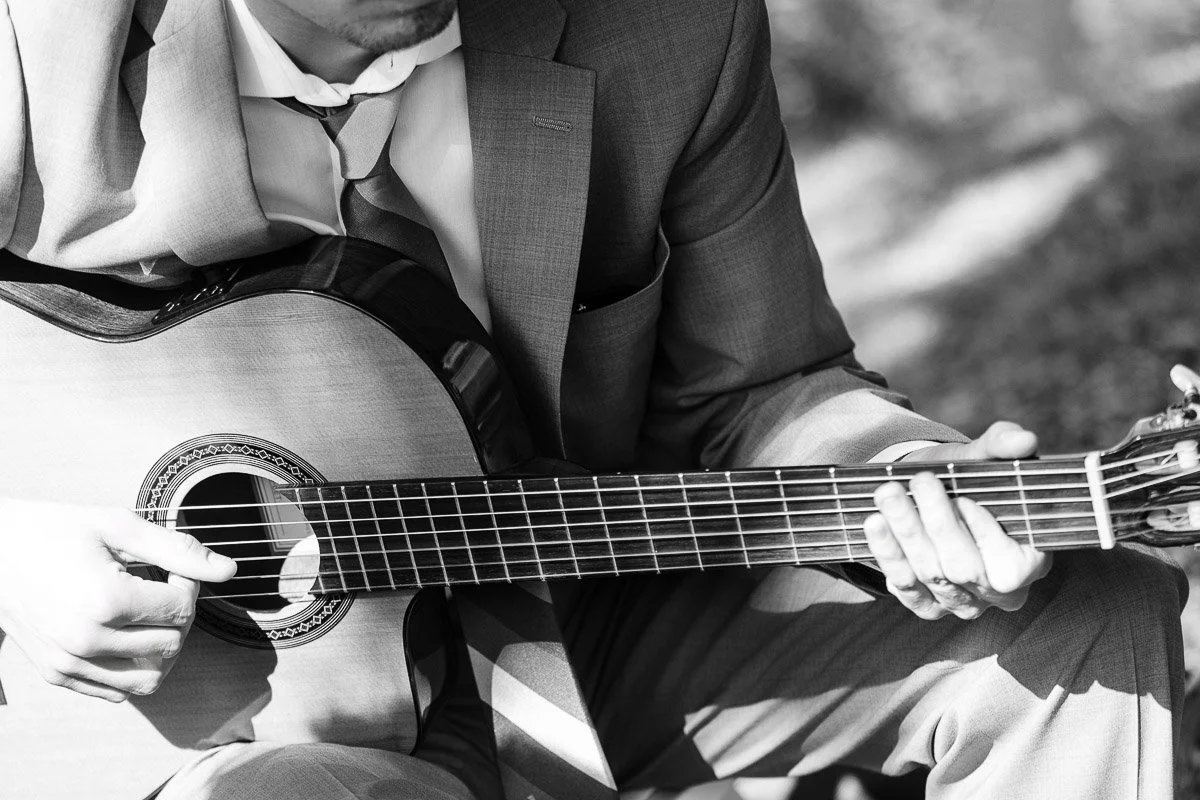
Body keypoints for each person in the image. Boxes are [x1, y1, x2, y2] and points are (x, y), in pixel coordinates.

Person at [0, 1, 1186, 798]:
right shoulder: (34, 44)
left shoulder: (669, 30)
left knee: (1094, 618)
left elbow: (765, 381)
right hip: (234, 710)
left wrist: (903, 481)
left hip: (580, 589)